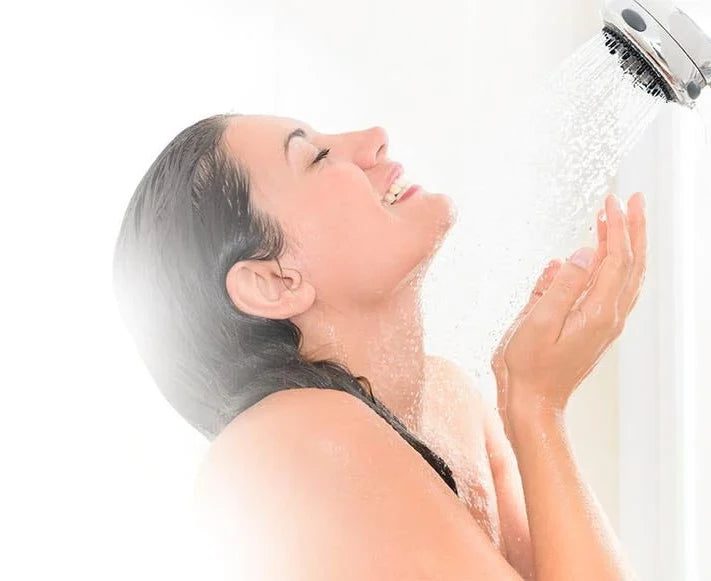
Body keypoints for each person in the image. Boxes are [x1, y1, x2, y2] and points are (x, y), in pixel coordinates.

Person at [112, 113, 645, 580]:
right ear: (275, 282)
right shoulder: (282, 443)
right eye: (317, 157)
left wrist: (532, 401)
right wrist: (537, 406)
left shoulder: (450, 404)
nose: (374, 140)